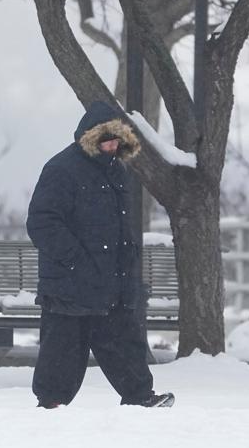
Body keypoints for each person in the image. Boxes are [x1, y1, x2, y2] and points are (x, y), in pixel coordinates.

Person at [26, 100, 175, 408]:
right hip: (70, 282)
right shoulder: (62, 169)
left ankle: (140, 398)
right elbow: (41, 222)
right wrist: (76, 260)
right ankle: (51, 405)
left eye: (116, 139)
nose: (111, 145)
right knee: (64, 347)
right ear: (90, 137)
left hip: (111, 281)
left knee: (123, 341)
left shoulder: (117, 172)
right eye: (105, 139)